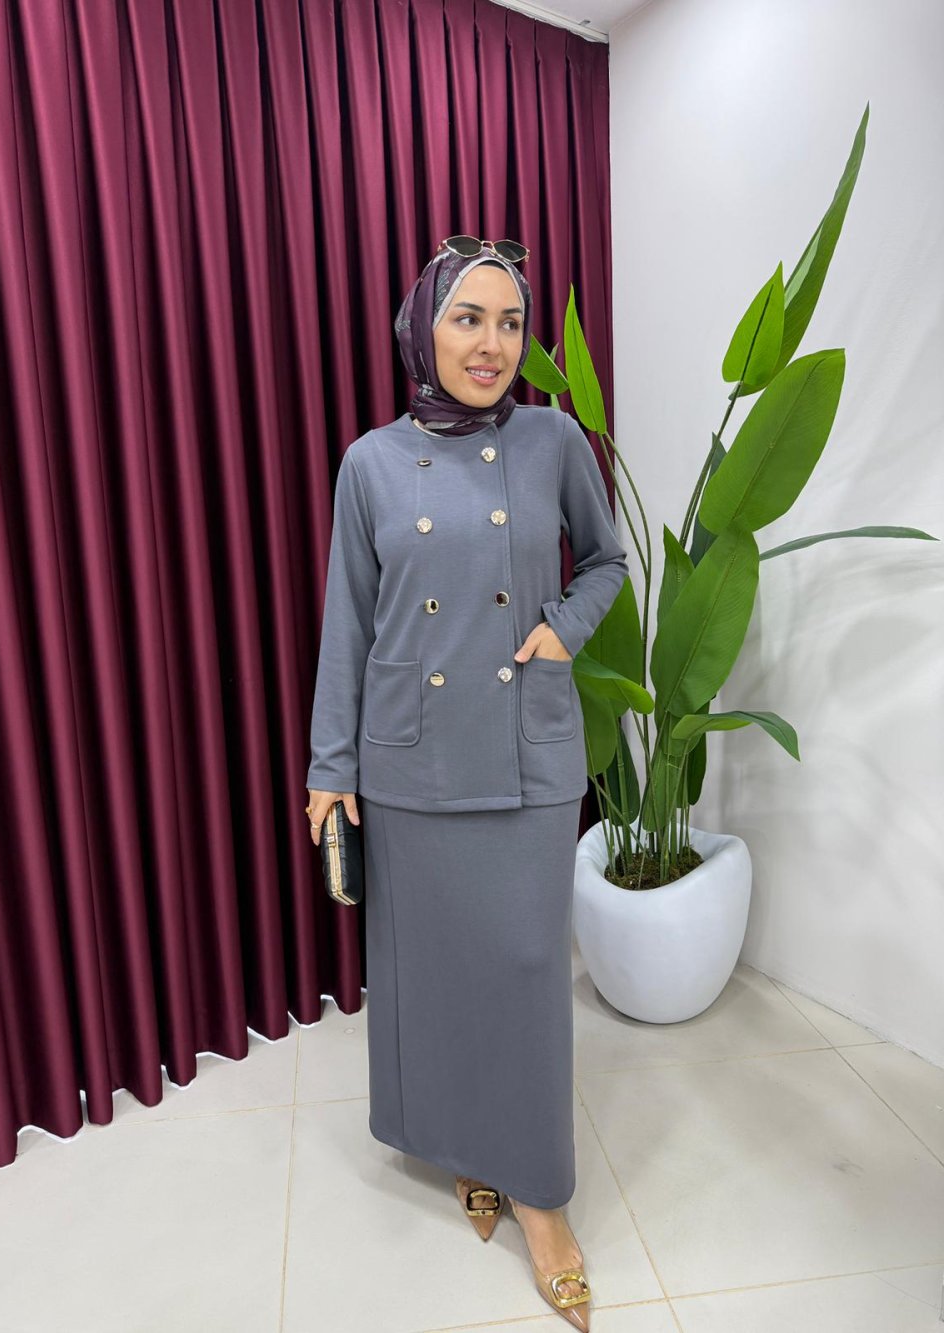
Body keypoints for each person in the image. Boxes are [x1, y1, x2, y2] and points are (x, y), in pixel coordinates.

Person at [305, 236, 629, 1329]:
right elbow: (349, 624)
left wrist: (560, 627)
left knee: (528, 970)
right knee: (435, 975)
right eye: (468, 318)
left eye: (509, 322)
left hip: (526, 748)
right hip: (411, 756)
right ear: (423, 328)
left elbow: (608, 560)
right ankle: (465, 1148)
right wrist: (331, 767)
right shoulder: (370, 463)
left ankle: (541, 1198)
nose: (491, 344)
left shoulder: (551, 441)